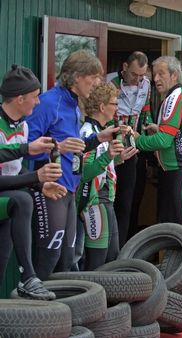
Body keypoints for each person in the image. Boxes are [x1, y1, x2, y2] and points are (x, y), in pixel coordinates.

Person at [26, 49, 113, 280]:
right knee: (48, 258)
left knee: (67, 259)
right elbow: (26, 147)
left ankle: (61, 314)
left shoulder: (74, 105)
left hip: (69, 188)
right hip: (48, 189)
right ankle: (31, 312)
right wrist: (58, 147)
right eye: (93, 77)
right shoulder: (48, 102)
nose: (97, 83)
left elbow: (73, 146)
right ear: (76, 76)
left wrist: (99, 138)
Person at [0, 64, 68, 299]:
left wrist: (39, 184)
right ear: (20, 99)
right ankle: (28, 277)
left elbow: (12, 175)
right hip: (10, 199)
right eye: (35, 97)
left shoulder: (23, 125)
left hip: (6, 201)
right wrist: (30, 159)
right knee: (23, 200)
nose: (38, 103)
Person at [133, 56, 182, 234]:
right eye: (154, 74)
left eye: (161, 74)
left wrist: (135, 139)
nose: (156, 79)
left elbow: (163, 141)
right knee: (178, 232)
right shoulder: (178, 97)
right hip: (179, 170)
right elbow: (179, 133)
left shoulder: (176, 98)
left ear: (174, 75)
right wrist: (159, 129)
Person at [77, 83, 138, 270]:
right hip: (94, 202)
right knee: (97, 263)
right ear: (102, 107)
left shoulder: (101, 132)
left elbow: (101, 167)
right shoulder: (88, 132)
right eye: (114, 103)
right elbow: (85, 174)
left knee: (112, 258)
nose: (117, 108)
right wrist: (109, 155)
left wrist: (118, 159)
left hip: (106, 200)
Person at [107, 51, 151, 248]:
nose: (139, 79)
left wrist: (147, 126)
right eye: (134, 74)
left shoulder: (147, 84)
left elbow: (146, 109)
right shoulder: (110, 82)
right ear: (124, 67)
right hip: (112, 145)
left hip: (133, 147)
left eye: (142, 75)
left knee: (130, 201)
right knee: (113, 201)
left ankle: (126, 248)